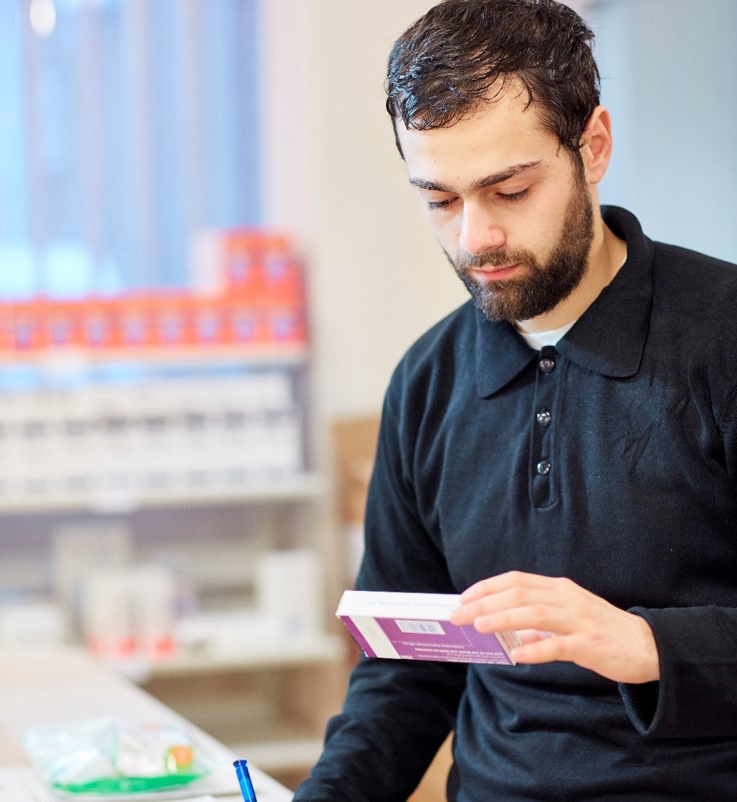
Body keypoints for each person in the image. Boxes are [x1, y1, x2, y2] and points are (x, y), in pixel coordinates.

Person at [293, 1, 737, 799]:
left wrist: (645, 644)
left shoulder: (722, 337)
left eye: (509, 190)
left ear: (592, 147)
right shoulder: (426, 383)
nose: (474, 238)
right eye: (439, 200)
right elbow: (404, 677)